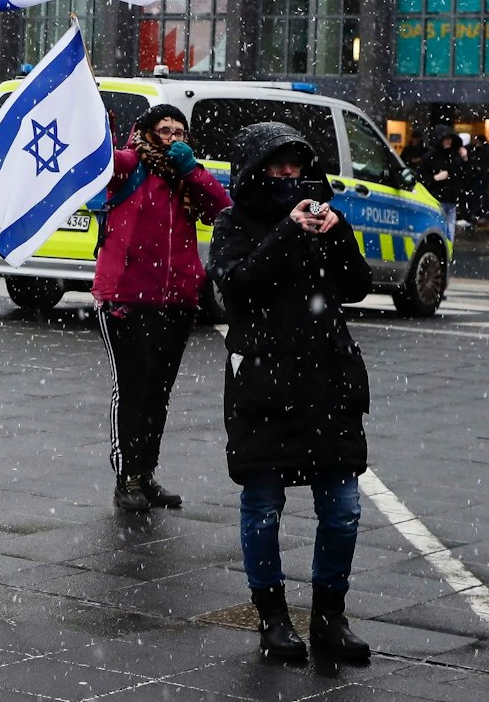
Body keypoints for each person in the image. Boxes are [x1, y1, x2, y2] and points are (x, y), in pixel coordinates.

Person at [208, 121, 374, 666]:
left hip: (328, 383)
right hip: (264, 387)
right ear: (255, 169)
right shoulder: (233, 222)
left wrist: (337, 232)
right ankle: (273, 619)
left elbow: (356, 286)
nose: (288, 176)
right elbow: (238, 284)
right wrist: (286, 231)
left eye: (295, 166)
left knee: (343, 509)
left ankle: (329, 618)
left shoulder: (324, 216)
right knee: (262, 507)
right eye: (277, 166)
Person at [93, 105, 232, 513]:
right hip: (126, 298)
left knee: (158, 394)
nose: (173, 137)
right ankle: (127, 478)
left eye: (180, 131)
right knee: (132, 389)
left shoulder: (185, 176)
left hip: (176, 302)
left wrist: (192, 170)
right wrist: (98, 122)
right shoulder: (131, 164)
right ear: (147, 132)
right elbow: (103, 161)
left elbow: (223, 209)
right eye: (165, 130)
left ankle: (146, 474)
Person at [417, 126, 466, 237]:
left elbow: (465, 175)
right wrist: (435, 178)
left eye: (450, 138)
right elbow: (420, 179)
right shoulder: (430, 158)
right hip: (436, 201)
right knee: (439, 235)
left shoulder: (454, 157)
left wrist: (465, 158)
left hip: (450, 201)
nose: (448, 141)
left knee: (448, 236)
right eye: (445, 138)